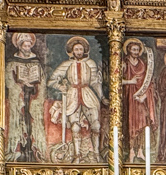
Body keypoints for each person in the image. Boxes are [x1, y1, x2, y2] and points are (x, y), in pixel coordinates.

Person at [47, 36, 102, 157]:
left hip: (87, 94)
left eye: (81, 49)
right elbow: (51, 81)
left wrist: (102, 97)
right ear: (72, 51)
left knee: (96, 125)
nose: (78, 52)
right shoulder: (66, 64)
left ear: (85, 50)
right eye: (76, 49)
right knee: (75, 127)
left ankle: (96, 153)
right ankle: (77, 155)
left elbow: (95, 82)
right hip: (72, 95)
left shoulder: (90, 63)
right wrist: (60, 87)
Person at [7, 32, 44, 161]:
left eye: (29, 46)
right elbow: (8, 80)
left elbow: (42, 81)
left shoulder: (35, 62)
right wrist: (20, 85)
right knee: (19, 120)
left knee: (32, 121)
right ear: (20, 46)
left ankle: (32, 149)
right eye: (25, 46)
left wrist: (36, 87)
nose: (27, 48)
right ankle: (18, 149)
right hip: (19, 96)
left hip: (32, 95)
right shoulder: (12, 62)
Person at [121, 39, 158, 160]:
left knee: (143, 123)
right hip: (130, 97)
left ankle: (140, 150)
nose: (136, 52)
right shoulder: (124, 63)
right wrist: (129, 81)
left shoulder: (143, 64)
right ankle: (131, 150)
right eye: (133, 49)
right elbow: (116, 80)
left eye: (137, 50)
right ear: (129, 50)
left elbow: (149, 83)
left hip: (141, 99)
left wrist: (145, 96)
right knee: (132, 123)